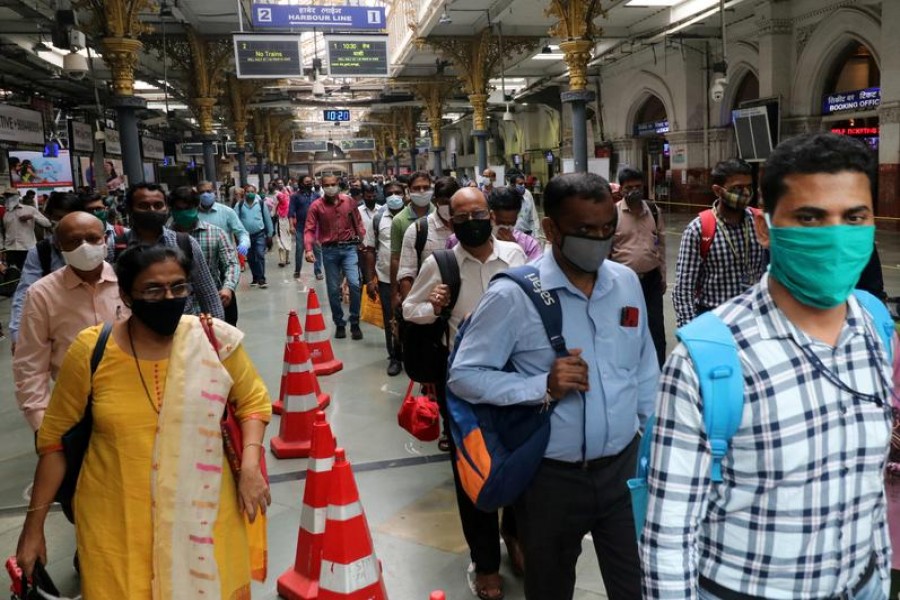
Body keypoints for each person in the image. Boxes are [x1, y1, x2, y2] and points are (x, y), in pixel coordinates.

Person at [642, 133, 891, 598]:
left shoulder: (876, 327)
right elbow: (668, 538)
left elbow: (869, 487)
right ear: (766, 226)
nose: (835, 235)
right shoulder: (705, 364)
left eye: (854, 217)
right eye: (810, 217)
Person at [15, 244, 272, 599]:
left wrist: (250, 467)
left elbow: (253, 403)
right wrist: (33, 528)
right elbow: (54, 442)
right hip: (117, 521)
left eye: (178, 287)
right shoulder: (92, 351)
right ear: (126, 294)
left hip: (204, 513)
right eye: (153, 289)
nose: (168, 297)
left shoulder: (215, 341)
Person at [448, 172, 655, 600]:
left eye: (605, 230)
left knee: (636, 583)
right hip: (551, 480)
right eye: (584, 231)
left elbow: (643, 369)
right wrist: (540, 385)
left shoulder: (625, 283)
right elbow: (464, 376)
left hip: (624, 470)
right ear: (550, 229)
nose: (598, 240)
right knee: (550, 586)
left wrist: (651, 443)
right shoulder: (515, 296)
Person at [403, 187, 527, 600]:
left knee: (521, 463)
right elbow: (409, 310)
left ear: (490, 215)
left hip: (515, 381)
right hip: (464, 389)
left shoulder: (515, 257)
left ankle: (514, 532)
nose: (471, 221)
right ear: (451, 224)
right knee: (474, 473)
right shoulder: (440, 263)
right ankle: (486, 562)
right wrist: (435, 308)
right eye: (461, 217)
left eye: (478, 213)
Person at [13, 212, 125, 432]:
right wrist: (42, 426)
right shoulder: (42, 294)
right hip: (75, 410)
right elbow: (31, 366)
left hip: (134, 397)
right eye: (74, 241)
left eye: (93, 239)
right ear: (59, 245)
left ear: (105, 239)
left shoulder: (128, 283)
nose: (84, 247)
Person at [672, 158, 766, 327]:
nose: (745, 193)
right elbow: (683, 290)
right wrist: (692, 335)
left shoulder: (760, 223)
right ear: (718, 190)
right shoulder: (698, 230)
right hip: (715, 322)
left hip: (755, 319)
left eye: (749, 187)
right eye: (737, 188)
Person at [118, 183, 224, 319]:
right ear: (130, 210)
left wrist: (216, 333)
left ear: (166, 208)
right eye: (144, 206)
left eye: (158, 205)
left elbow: (208, 294)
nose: (152, 210)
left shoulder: (185, 243)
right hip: (135, 332)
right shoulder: (117, 246)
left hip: (183, 329)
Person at [7, 193, 81, 349]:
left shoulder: (96, 245)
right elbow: (25, 292)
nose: (65, 224)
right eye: (59, 218)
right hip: (60, 328)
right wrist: (18, 333)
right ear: (50, 217)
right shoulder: (41, 252)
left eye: (70, 217)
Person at [609, 168, 667, 366]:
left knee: (656, 328)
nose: (634, 191)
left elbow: (661, 244)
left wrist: (663, 276)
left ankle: (659, 371)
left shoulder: (653, 211)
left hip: (651, 281)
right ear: (621, 189)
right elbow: (607, 251)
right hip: (624, 284)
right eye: (629, 188)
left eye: (637, 187)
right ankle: (629, 368)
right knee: (627, 327)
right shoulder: (613, 214)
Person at [304, 174, 366, 340]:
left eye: (333, 184)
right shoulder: (316, 206)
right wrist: (308, 249)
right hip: (329, 251)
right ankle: (339, 323)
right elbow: (309, 229)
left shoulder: (349, 202)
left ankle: (354, 321)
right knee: (333, 290)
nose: (330, 187)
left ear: (338, 184)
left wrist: (361, 238)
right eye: (327, 185)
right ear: (322, 186)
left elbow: (358, 221)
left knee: (354, 284)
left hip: (349, 249)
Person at [169, 187, 240, 326]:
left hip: (212, 305)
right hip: (179, 311)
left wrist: (228, 287)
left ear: (196, 207)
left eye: (187, 208)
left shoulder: (216, 233)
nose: (183, 213)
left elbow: (231, 263)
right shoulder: (164, 237)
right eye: (179, 209)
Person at [362, 182, 406, 376]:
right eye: (390, 193)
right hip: (387, 278)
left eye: (398, 193)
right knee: (391, 319)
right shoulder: (379, 218)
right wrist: (370, 279)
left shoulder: (415, 217)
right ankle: (395, 357)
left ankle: (413, 355)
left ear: (405, 195)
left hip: (414, 277)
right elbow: (370, 250)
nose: (394, 196)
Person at [397, 176, 459, 301]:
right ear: (436, 201)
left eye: (452, 203)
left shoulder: (466, 226)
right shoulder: (418, 230)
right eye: (444, 203)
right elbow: (406, 275)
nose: (449, 207)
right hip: (428, 306)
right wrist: (410, 310)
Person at [446, 187, 542, 262]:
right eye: (501, 222)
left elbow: (535, 277)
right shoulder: (458, 239)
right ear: (491, 216)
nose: (506, 227)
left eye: (511, 223)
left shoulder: (529, 245)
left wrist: (516, 250)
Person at [390, 172, 430, 305]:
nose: (422, 191)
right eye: (417, 188)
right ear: (409, 190)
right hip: (410, 283)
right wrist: (395, 292)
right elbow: (395, 258)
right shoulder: (399, 220)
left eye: (426, 187)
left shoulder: (439, 216)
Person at [196, 181, 250, 264]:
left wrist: (244, 243)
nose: (205, 194)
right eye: (202, 192)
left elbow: (242, 232)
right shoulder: (193, 214)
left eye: (208, 191)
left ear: (214, 192)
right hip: (201, 262)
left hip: (225, 260)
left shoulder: (227, 212)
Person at [235, 185, 274, 289]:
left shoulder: (260, 204)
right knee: (251, 257)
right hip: (245, 236)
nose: (250, 193)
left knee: (260, 254)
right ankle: (255, 277)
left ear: (255, 192)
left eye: (252, 191)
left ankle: (262, 278)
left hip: (259, 234)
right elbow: (235, 221)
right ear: (244, 193)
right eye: (248, 191)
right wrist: (236, 236)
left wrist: (270, 234)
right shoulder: (239, 205)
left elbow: (267, 219)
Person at [2, 191, 51, 270]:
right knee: (13, 274)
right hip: (10, 249)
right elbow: (5, 231)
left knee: (30, 271)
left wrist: (33, 217)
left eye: (11, 196)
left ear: (17, 197)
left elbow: (47, 223)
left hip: (27, 248)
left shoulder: (30, 209)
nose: (8, 199)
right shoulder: (6, 213)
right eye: (6, 197)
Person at [289, 176, 323, 280]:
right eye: (307, 182)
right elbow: (291, 212)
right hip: (300, 227)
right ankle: (297, 270)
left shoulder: (316, 196)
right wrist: (291, 226)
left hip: (315, 227)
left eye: (310, 182)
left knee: (317, 250)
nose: (309, 184)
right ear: (301, 183)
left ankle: (318, 271)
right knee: (299, 250)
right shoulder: (295, 196)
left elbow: (321, 212)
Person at [273, 184, 293, 268]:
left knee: (287, 239)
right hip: (280, 221)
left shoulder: (289, 201)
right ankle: (282, 260)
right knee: (280, 240)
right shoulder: (278, 201)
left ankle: (286, 259)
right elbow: (274, 210)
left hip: (288, 221)